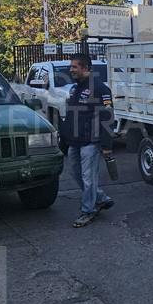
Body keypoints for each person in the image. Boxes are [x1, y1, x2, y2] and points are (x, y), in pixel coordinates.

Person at [61, 53, 115, 228]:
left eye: (74, 67)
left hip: (90, 141)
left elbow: (107, 118)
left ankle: (88, 211)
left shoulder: (100, 89)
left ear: (85, 68)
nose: (71, 70)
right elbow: (70, 116)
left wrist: (106, 146)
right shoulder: (75, 88)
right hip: (74, 141)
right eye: (71, 67)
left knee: (88, 177)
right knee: (75, 173)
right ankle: (100, 198)